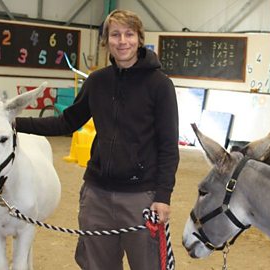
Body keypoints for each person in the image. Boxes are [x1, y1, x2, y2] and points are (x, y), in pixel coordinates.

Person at [15, 9, 179, 270]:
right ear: (106, 41)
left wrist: (163, 196)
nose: (122, 41)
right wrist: (13, 123)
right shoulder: (97, 81)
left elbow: (169, 146)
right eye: (115, 35)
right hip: (97, 196)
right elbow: (66, 122)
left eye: (128, 34)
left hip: (141, 197)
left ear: (139, 38)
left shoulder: (160, 85)